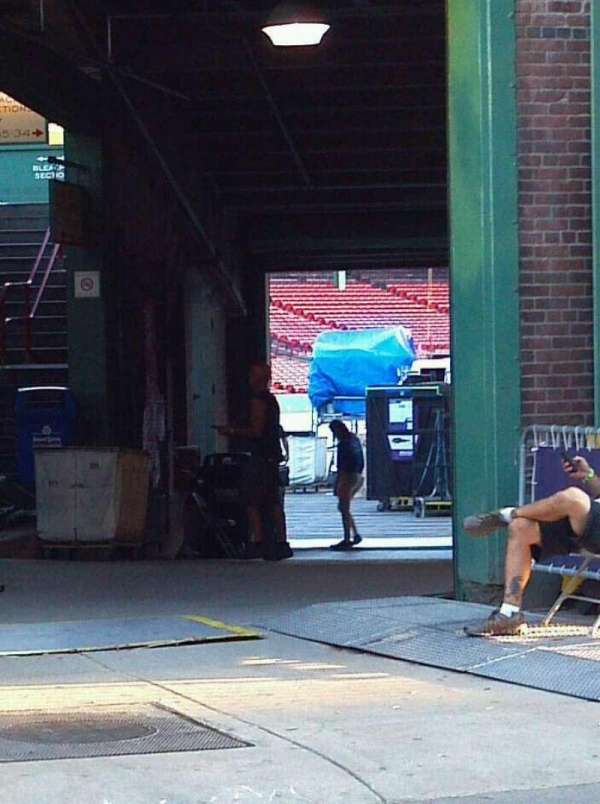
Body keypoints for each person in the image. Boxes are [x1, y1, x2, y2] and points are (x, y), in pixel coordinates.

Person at [463, 454, 600, 636]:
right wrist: (588, 475)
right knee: (520, 528)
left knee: (574, 498)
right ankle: (509, 614)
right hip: (586, 525)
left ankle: (507, 514)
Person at [217, 363, 293, 561]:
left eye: (251, 374)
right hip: (271, 456)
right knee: (273, 501)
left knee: (252, 501)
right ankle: (281, 542)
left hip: (260, 457)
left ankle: (257, 541)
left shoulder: (258, 400)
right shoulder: (272, 400)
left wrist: (232, 431)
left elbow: (256, 430)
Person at [329, 420, 365, 551]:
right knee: (344, 508)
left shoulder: (343, 445)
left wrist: (336, 484)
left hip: (347, 477)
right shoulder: (354, 440)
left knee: (343, 508)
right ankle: (355, 534)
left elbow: (341, 468)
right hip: (358, 476)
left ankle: (347, 538)